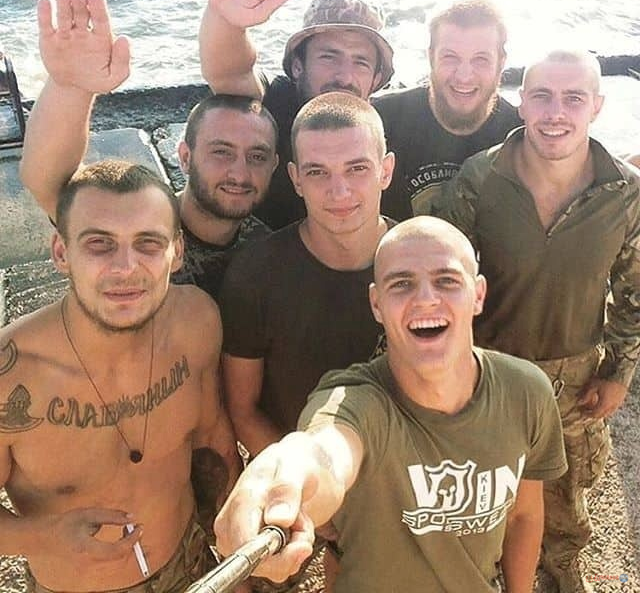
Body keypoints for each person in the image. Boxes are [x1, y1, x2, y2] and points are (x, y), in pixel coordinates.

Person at [214, 216, 567, 593]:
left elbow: (524, 516)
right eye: (402, 284)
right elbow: (326, 452)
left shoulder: (525, 392)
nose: (426, 298)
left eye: (447, 280)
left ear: (478, 294)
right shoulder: (355, 400)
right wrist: (287, 478)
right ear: (376, 304)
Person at [435, 49, 640, 593]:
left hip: (575, 374)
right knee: (485, 480)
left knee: (566, 487)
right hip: (491, 367)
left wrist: (618, 373)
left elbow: (633, 293)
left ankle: (562, 561)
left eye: (574, 98)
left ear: (596, 106)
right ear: (521, 102)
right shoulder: (480, 177)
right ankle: (487, 566)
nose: (556, 113)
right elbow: (446, 280)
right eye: (542, 96)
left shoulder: (625, 192)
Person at [0, 160, 241, 593]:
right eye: (99, 244)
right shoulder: (12, 375)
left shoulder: (197, 322)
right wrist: (45, 537)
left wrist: (237, 553)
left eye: (148, 243)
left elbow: (212, 437)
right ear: (61, 253)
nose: (126, 267)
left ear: (176, 251)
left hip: (191, 562)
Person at [20, 0, 278, 300]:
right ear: (185, 157)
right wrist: (70, 87)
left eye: (256, 156)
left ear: (274, 166)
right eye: (221, 152)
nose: (239, 173)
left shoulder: (267, 251)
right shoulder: (138, 221)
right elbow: (47, 181)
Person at [219, 92, 394, 458]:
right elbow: (243, 410)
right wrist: (307, 480)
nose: (339, 191)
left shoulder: (422, 263)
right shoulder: (255, 275)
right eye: (317, 172)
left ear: (386, 171)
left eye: (357, 168)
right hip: (296, 471)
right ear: (296, 179)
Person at [199, 0, 395, 228]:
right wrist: (226, 19)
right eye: (329, 57)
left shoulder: (392, 122)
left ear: (376, 79)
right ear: (297, 66)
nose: (344, 76)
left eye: (360, 62)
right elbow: (230, 71)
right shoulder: (275, 105)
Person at [372, 0, 522, 218]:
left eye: (481, 59)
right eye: (450, 57)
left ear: (501, 63)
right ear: (430, 57)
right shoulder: (379, 121)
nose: (464, 76)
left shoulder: (521, 137)